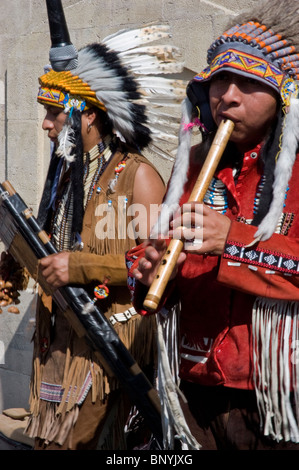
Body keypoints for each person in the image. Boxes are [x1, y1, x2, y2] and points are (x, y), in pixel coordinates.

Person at [127, 0, 299, 450]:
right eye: (221, 81)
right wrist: (145, 269)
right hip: (192, 385)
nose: (229, 96)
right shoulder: (193, 165)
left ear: (286, 96)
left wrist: (233, 242)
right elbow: (154, 245)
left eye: (250, 83)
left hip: (277, 397)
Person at [24, 7, 186, 450]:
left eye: (54, 113)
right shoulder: (65, 176)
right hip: (61, 339)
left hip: (111, 339)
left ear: (88, 116)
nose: (46, 124)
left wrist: (77, 266)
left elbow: (159, 263)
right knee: (48, 443)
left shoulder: (138, 175)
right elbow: (54, 244)